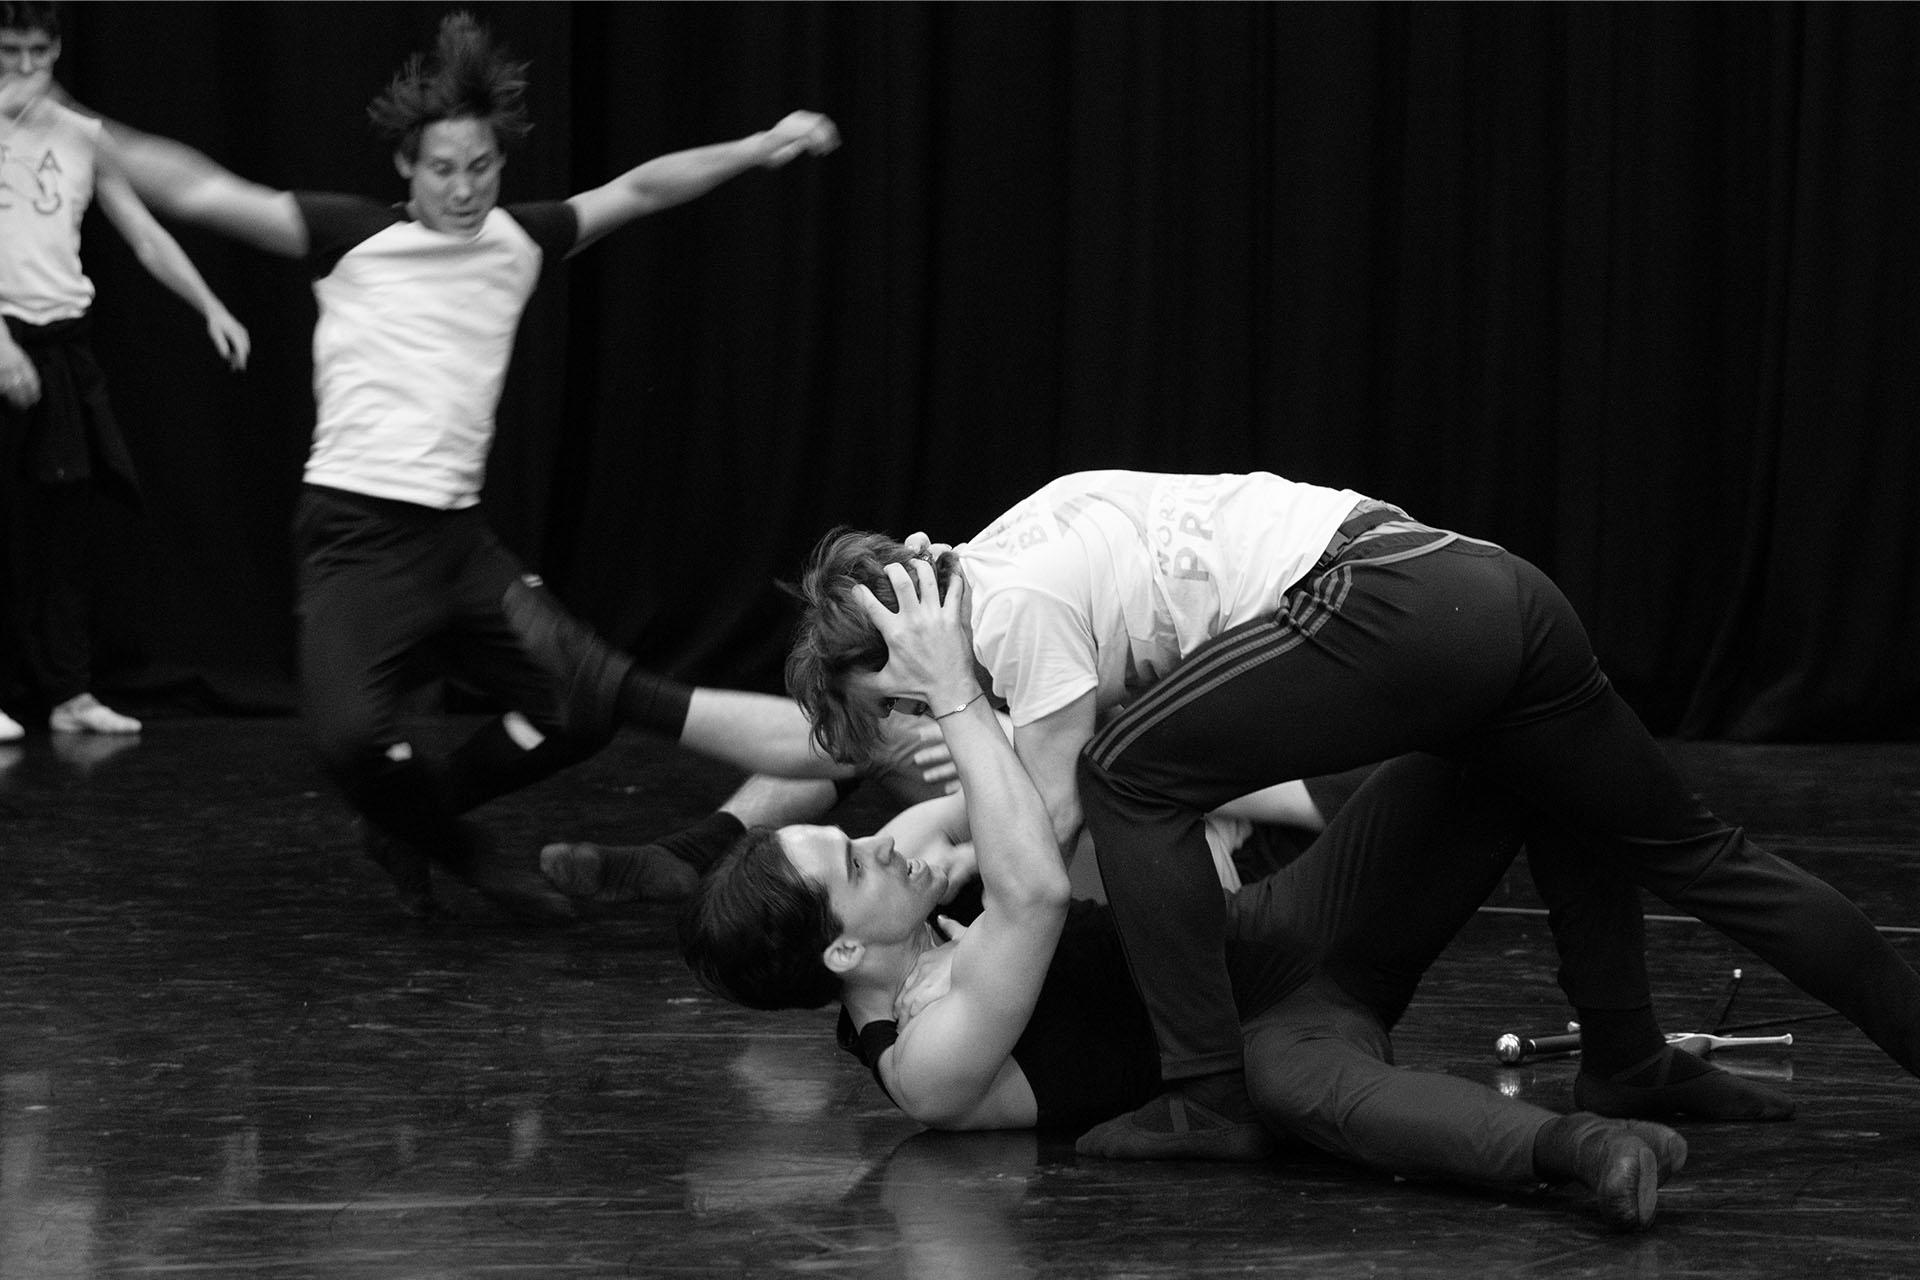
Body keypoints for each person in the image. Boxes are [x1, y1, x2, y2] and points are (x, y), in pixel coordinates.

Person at [782, 471, 1920, 1160]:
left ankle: (1206, 1101)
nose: (919, 734)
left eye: (901, 707)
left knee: (1123, 775)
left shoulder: (1014, 612)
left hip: (1386, 600)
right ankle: (1626, 1057)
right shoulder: (1019, 548)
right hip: (1487, 589)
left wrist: (960, 694)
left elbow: (1047, 833)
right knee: (1686, 848)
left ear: (910, 639)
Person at [682, 554, 1693, 1231]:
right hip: (1259, 1044)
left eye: (855, 836)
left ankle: (1624, 1048)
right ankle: (1586, 1147)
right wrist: (952, 687)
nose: (880, 848)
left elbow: (984, 826)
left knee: (1510, 736)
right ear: (843, 954)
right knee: (1322, 1099)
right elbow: (1032, 893)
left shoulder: (918, 926)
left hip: (1281, 926)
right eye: (854, 864)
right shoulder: (926, 1063)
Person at [84, 12, 839, 918]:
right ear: (406, 167)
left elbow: (639, 190)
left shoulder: (519, 242)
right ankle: (464, 853)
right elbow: (208, 192)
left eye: (482, 167)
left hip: (458, 544)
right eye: (443, 169)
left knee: (578, 708)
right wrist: (83, 129)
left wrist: (761, 145)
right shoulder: (350, 238)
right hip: (355, 539)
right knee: (351, 740)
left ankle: (412, 821)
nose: (465, 188)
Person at [0, 0, 250, 743]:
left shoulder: (82, 136)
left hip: (59, 343)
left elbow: (143, 233)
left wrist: (210, 305)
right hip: (2, 340)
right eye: (8, 52)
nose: (22, 70)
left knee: (66, 525)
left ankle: (69, 690)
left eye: (37, 54)